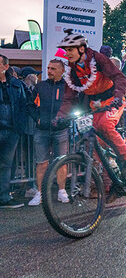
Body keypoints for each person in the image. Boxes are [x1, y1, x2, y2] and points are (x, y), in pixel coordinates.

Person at [54, 29, 126, 177]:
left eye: (70, 50)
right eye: (65, 50)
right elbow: (69, 96)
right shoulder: (73, 69)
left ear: (81, 49)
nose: (67, 54)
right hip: (94, 105)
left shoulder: (98, 59)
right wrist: (60, 116)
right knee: (91, 138)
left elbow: (119, 77)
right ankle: (109, 180)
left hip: (113, 99)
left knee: (104, 125)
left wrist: (118, 97)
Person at [27, 59, 70, 206]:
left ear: (62, 71)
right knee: (41, 163)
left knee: (61, 162)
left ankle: (62, 191)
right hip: (42, 130)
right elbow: (30, 104)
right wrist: (37, 119)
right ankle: (39, 193)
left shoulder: (68, 87)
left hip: (61, 130)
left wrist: (67, 119)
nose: (49, 71)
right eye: (48, 68)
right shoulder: (40, 86)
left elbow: (75, 104)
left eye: (53, 68)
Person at [0, 54, 27, 208]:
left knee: (6, 165)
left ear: (6, 67)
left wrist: (20, 126)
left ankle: (4, 197)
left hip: (12, 130)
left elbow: (23, 105)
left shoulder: (16, 85)